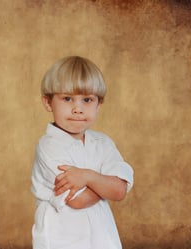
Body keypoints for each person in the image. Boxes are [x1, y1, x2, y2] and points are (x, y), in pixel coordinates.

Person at [31, 56, 134, 249]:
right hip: (61, 239)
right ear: (48, 102)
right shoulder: (49, 146)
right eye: (67, 98)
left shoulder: (103, 143)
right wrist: (105, 184)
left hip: (102, 237)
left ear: (98, 105)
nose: (78, 109)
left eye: (87, 99)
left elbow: (119, 191)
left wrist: (87, 177)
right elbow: (77, 200)